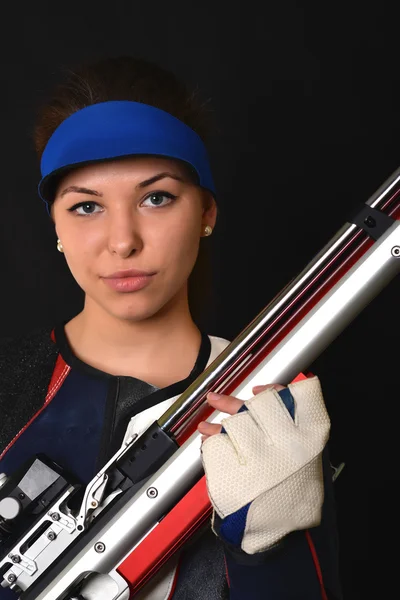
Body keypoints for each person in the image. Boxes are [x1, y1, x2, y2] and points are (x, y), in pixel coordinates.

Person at [0, 56, 342, 599]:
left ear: (206, 211)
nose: (122, 241)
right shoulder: (9, 383)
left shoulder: (270, 410)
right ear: (56, 228)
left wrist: (268, 547)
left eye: (156, 198)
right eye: (87, 206)